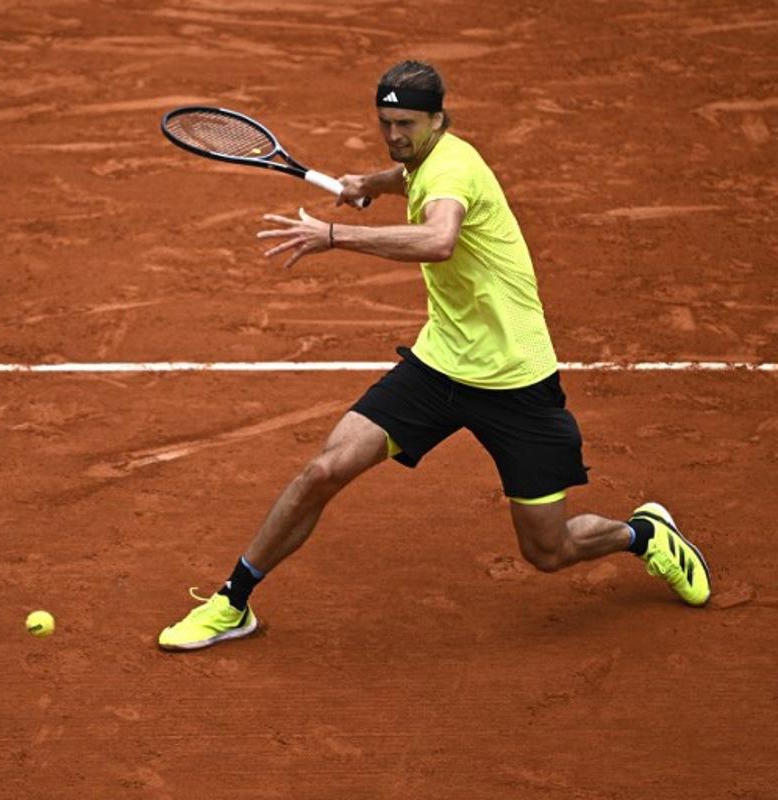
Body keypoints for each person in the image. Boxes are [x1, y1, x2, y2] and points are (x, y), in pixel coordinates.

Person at [158, 60, 711, 652]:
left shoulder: (454, 169)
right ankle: (232, 601)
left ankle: (643, 534)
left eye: (407, 124)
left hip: (513, 381)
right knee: (324, 471)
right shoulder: (425, 158)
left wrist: (335, 235)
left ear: (438, 119)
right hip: (439, 365)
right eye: (385, 123)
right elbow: (407, 174)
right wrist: (369, 183)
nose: (395, 135)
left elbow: (438, 240)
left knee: (548, 550)